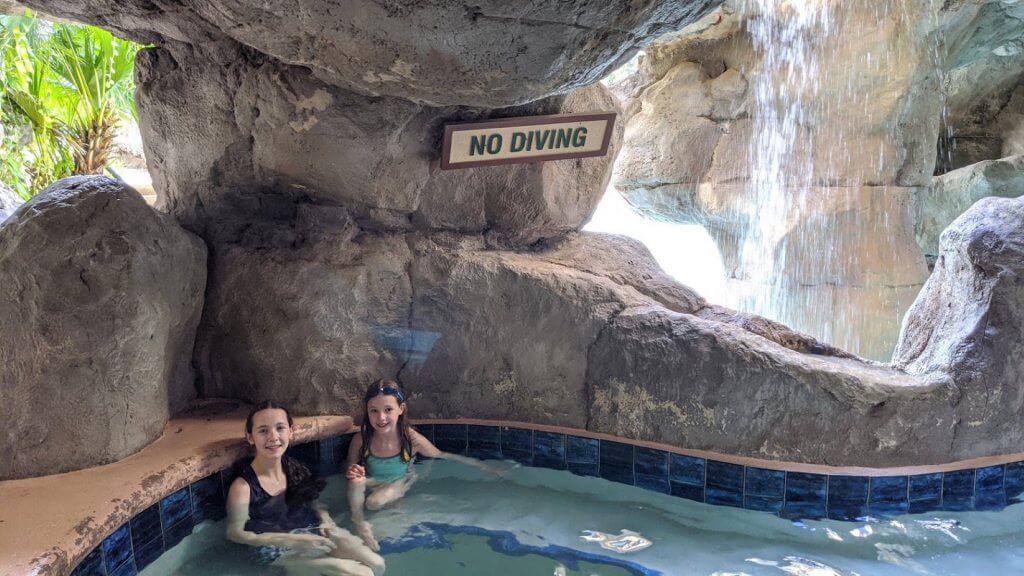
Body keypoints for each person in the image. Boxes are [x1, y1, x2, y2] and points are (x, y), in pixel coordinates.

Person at [227, 401, 386, 576]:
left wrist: (326, 521)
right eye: (263, 430)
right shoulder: (243, 488)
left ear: (291, 431)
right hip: (276, 551)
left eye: (280, 428)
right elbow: (235, 533)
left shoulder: (296, 469)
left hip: (311, 532)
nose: (273, 437)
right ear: (250, 437)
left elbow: (314, 502)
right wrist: (290, 540)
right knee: (360, 574)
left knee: (377, 564)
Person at [345, 379, 490, 551]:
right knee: (355, 482)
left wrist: (483, 466)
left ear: (401, 409)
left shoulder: (410, 439)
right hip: (373, 481)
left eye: (388, 410)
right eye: (374, 411)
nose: (381, 417)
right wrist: (353, 471)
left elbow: (441, 455)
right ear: (367, 412)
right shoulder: (362, 439)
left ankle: (390, 512)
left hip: (399, 482)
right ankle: (360, 523)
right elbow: (348, 466)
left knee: (374, 502)